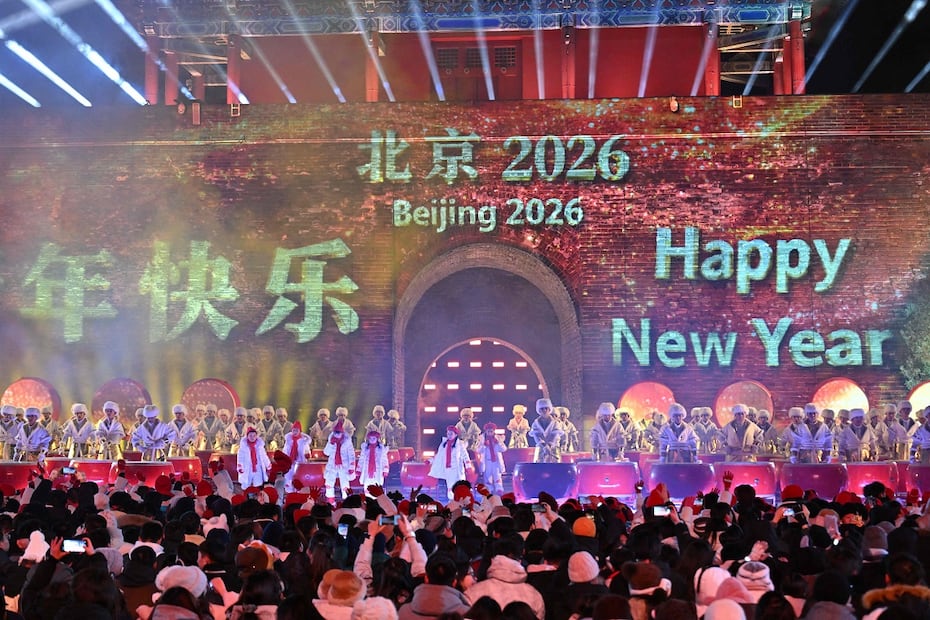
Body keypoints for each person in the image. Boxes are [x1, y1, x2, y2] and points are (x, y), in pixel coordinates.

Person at [428, 426, 471, 500]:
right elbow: (438, 456)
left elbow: (465, 456)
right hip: (449, 469)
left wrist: (468, 466)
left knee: (460, 484)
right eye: (448, 434)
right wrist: (430, 460)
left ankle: (462, 500)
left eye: (451, 434)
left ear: (455, 435)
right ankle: (452, 500)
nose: (449, 435)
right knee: (450, 486)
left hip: (457, 468)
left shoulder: (460, 444)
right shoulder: (444, 444)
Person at [323, 418, 356, 499]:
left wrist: (351, 467)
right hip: (332, 465)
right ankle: (331, 501)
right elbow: (326, 453)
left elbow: (351, 455)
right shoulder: (331, 440)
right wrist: (331, 444)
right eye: (335, 432)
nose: (337, 434)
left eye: (339, 432)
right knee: (329, 483)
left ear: (342, 432)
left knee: (345, 484)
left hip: (344, 466)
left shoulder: (347, 442)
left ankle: (347, 500)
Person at [529, 398, 563, 463]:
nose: (544, 410)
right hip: (540, 448)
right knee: (539, 466)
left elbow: (555, 435)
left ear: (549, 409)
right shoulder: (535, 423)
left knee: (556, 467)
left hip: (554, 448)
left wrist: (549, 445)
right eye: (542, 409)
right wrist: (544, 445)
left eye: (546, 408)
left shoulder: (555, 423)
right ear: (539, 410)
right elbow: (537, 435)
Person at [477, 422, 507, 495]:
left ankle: (499, 489)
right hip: (487, 461)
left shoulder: (498, 438)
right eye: (488, 431)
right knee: (487, 476)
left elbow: (504, 449)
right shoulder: (481, 438)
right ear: (486, 431)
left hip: (496, 461)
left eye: (491, 431)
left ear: (494, 431)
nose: (490, 433)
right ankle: (489, 490)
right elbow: (478, 450)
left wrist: (498, 443)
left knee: (497, 476)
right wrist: (484, 445)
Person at [282, 421, 311, 491]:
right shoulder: (288, 440)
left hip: (300, 462)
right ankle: (290, 492)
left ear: (300, 431)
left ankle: (298, 492)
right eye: (293, 430)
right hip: (290, 462)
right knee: (288, 477)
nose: (295, 432)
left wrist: (308, 454)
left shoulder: (303, 441)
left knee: (298, 477)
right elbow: (285, 450)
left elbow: (307, 450)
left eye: (296, 430)